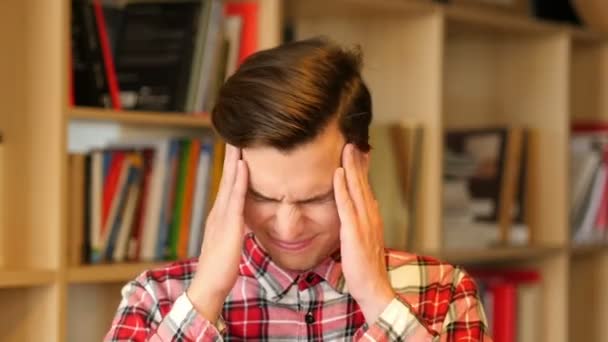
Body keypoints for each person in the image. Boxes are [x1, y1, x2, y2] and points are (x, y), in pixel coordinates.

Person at [104, 37, 491, 341]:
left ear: (360, 164)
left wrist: (376, 297)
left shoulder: (443, 292)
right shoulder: (158, 299)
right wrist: (205, 298)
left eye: (315, 198)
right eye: (263, 196)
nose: (288, 228)